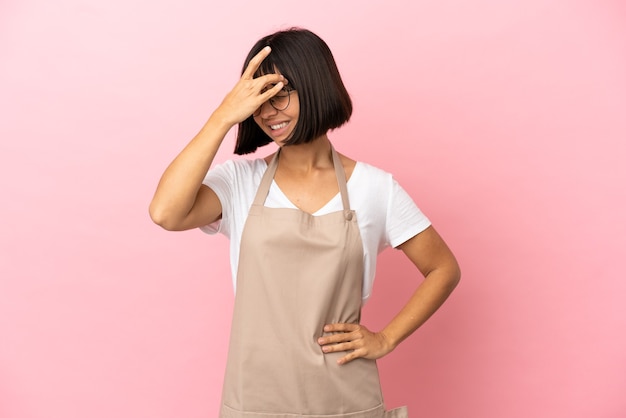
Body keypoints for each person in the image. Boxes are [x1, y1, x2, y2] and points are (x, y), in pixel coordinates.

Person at [149, 28, 460, 418]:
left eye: (280, 94)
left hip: (346, 399)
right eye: (258, 99)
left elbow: (443, 268)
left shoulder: (374, 188)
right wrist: (222, 117)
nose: (267, 112)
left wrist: (386, 338)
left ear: (315, 86)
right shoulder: (238, 183)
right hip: (256, 399)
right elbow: (165, 212)